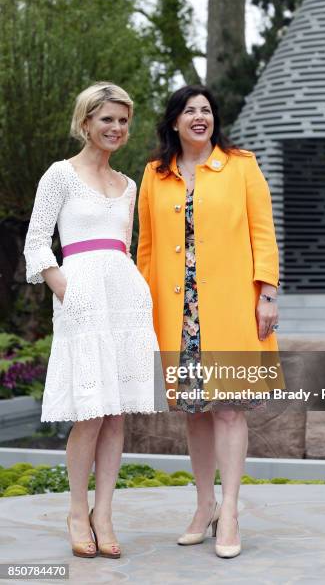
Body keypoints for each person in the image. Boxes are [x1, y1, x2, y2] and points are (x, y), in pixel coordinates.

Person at [137, 84, 282, 559]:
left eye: (206, 110)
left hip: (232, 306)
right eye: (189, 110)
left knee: (229, 408)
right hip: (177, 312)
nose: (200, 117)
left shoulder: (242, 165)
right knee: (194, 411)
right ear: (174, 121)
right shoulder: (155, 175)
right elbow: (149, 249)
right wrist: (142, 304)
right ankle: (204, 507)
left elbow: (263, 232)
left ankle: (232, 511)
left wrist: (267, 293)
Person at [24, 82, 167, 559]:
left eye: (123, 121)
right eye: (107, 119)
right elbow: (37, 243)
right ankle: (76, 509)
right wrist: (65, 289)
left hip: (125, 300)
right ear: (86, 122)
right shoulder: (59, 176)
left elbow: (126, 248)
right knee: (90, 411)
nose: (117, 128)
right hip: (81, 298)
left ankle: (104, 513)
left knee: (117, 410)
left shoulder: (129, 186)